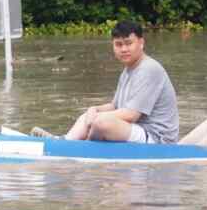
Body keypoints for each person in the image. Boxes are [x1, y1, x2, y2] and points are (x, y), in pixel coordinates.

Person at [34, 21, 179, 144]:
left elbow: (131, 115)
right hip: (135, 129)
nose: (124, 49)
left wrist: (97, 118)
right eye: (118, 44)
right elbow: (115, 106)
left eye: (128, 43)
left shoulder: (149, 68)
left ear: (141, 43)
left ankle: (84, 147)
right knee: (89, 114)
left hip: (158, 139)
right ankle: (64, 141)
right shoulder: (128, 70)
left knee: (102, 123)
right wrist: (94, 109)